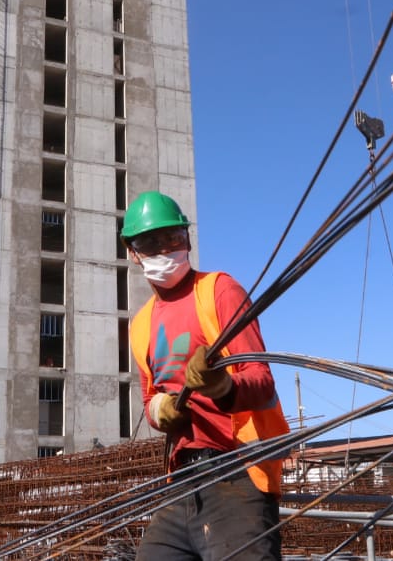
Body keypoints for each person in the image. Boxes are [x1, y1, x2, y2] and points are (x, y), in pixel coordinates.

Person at [123, 191, 289, 561]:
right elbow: (150, 403)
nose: (165, 250)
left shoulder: (218, 291)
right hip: (182, 482)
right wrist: (161, 410)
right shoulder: (141, 325)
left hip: (236, 472)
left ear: (188, 239)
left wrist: (224, 387)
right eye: (150, 242)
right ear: (132, 253)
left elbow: (261, 382)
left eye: (173, 238)